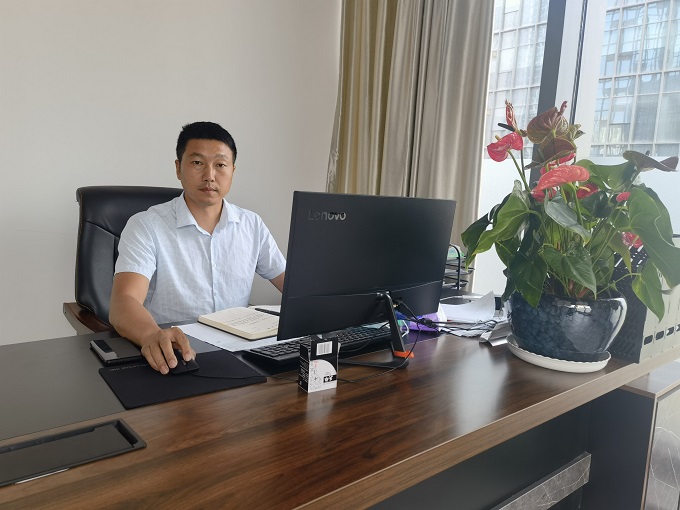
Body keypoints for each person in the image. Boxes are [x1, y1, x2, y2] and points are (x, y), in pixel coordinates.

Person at [109, 122, 286, 374]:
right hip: (174, 357)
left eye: (220, 165)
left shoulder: (251, 225)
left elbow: (292, 287)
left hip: (239, 358)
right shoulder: (146, 226)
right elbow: (124, 301)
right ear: (178, 168)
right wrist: (151, 335)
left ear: (233, 171)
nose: (209, 176)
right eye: (197, 162)